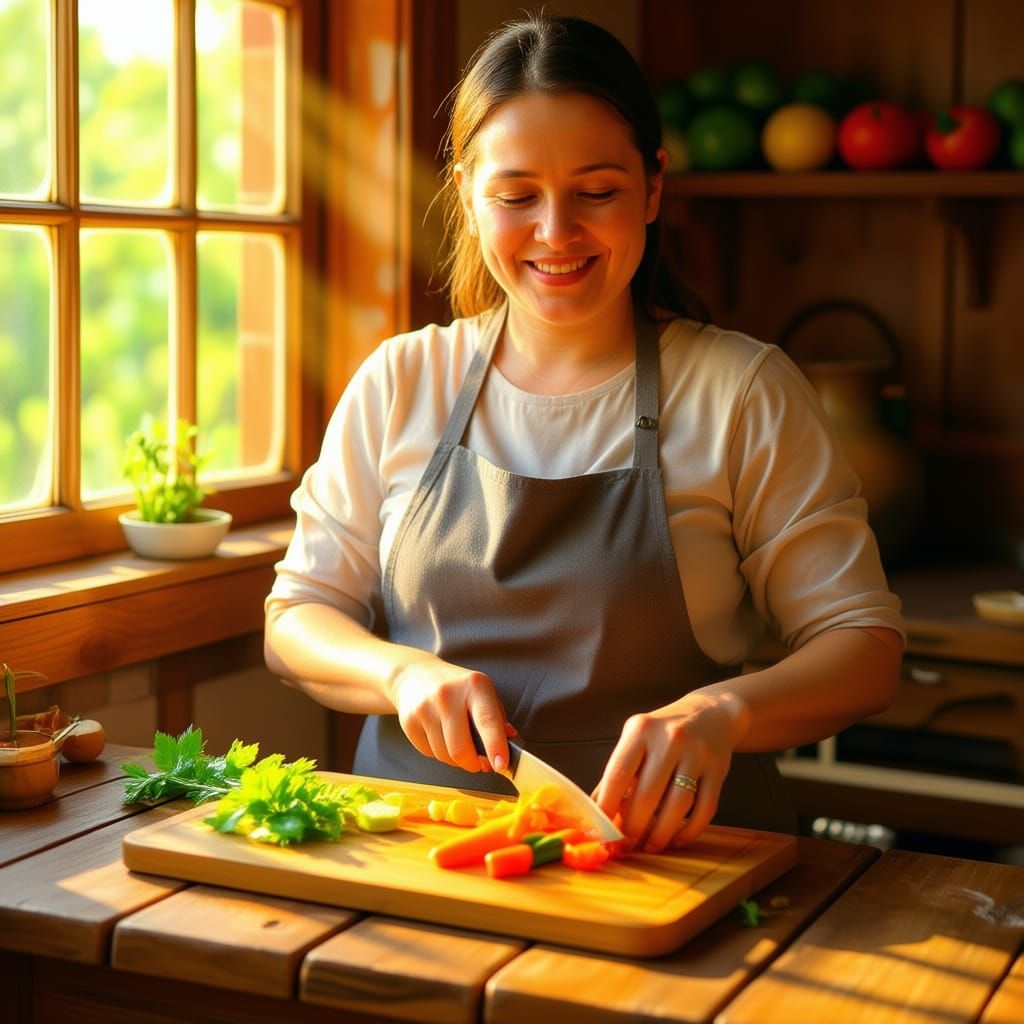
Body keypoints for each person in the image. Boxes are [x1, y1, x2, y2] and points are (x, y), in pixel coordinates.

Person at [264, 13, 904, 852]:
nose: (556, 232)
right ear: (466, 192)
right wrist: (401, 671)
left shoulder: (741, 391)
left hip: (679, 861)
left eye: (596, 191)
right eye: (516, 195)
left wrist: (724, 710)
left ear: (653, 186)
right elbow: (298, 616)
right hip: (417, 861)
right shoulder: (401, 381)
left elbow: (865, 649)